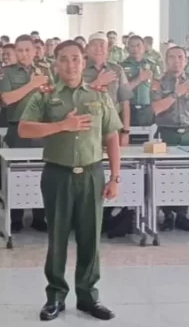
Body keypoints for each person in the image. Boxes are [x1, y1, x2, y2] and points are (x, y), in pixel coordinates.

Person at [19, 40, 122, 322]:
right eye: (63, 59)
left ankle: (88, 296)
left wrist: (115, 177)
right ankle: (55, 296)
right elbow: (24, 128)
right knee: (58, 238)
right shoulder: (46, 95)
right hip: (57, 174)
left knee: (91, 238)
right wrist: (61, 126)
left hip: (91, 174)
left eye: (75, 58)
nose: (70, 64)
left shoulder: (99, 95)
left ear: (84, 61)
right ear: (56, 63)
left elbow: (111, 136)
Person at [0, 35, 51, 232]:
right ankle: (16, 217)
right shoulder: (7, 73)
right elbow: (7, 99)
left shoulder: (45, 70)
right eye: (19, 50)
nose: (24, 54)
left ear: (35, 51)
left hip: (41, 128)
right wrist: (32, 84)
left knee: (42, 173)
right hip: (18, 127)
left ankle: (39, 216)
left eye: (28, 50)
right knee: (17, 172)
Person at [151, 46, 189, 232]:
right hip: (167, 132)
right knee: (166, 175)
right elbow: (156, 108)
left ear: (186, 60)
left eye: (180, 57)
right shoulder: (158, 81)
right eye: (172, 57)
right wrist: (176, 93)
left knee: (187, 175)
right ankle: (167, 214)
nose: (176, 60)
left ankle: (183, 215)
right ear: (165, 60)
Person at [83, 33, 133, 238]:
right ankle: (89, 219)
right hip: (87, 126)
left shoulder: (117, 69)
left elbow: (125, 102)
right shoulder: (80, 68)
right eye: (94, 45)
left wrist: (126, 130)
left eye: (103, 46)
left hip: (111, 127)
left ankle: (107, 216)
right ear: (87, 48)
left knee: (111, 167)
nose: (99, 49)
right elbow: (77, 95)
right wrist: (97, 81)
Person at [121, 35, 162, 126]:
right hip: (128, 107)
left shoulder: (152, 65)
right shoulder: (121, 66)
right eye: (132, 46)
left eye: (138, 45)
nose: (135, 49)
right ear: (127, 48)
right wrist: (139, 79)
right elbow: (120, 91)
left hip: (147, 108)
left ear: (144, 47)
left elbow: (158, 87)